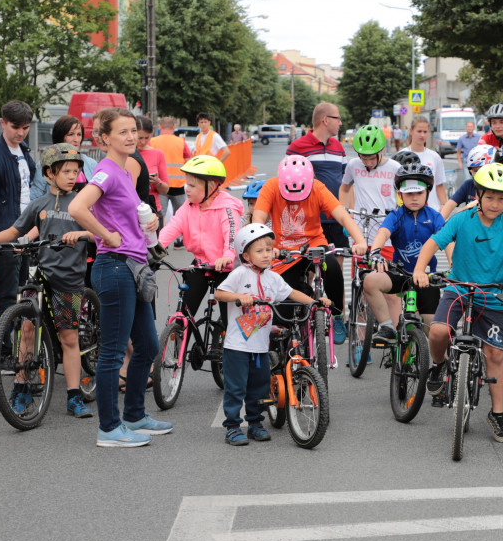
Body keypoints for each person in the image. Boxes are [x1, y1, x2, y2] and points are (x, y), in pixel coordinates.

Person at [68, 107, 170, 448]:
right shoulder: (107, 171)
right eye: (122, 132)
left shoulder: (126, 170)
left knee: (148, 346)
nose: (130, 137)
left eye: (133, 131)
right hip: (114, 266)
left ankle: (135, 416)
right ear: (105, 138)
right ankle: (109, 430)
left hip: (134, 266)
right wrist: (104, 235)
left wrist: (150, 222)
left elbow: (125, 214)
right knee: (113, 352)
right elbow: (77, 208)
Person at [413, 163, 503, 443]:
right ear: (477, 194)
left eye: (502, 198)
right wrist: (420, 269)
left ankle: (498, 413)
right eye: (489, 197)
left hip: (491, 294)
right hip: (458, 288)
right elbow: (433, 243)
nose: (495, 204)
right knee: (438, 331)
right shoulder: (462, 218)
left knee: (494, 354)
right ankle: (440, 364)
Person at [0, 143, 95, 419]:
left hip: (69, 280)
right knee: (27, 331)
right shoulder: (39, 205)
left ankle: (73, 396)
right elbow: (15, 229)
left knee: (69, 338)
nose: (72, 175)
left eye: (76, 171)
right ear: (48, 174)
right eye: (66, 170)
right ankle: (20, 389)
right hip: (40, 274)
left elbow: (98, 233)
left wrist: (81, 235)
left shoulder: (81, 202)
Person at [214, 224, 330, 445]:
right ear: (246, 255)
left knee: (259, 387)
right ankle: (232, 427)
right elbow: (219, 293)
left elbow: (292, 293)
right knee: (236, 387)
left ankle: (255, 424)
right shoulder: (240, 273)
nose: (266, 255)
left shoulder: (273, 278)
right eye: (259, 251)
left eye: (269, 250)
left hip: (260, 346)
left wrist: (315, 302)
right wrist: (239, 296)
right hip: (237, 346)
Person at [251, 155, 368, 325]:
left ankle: (337, 314)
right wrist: (265, 246)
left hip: (314, 244)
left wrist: (360, 242)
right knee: (282, 314)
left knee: (333, 267)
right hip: (283, 251)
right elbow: (258, 219)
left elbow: (343, 217)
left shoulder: (318, 188)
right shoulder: (271, 186)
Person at [286, 103, 350, 341]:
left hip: (335, 219)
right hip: (310, 220)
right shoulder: (297, 147)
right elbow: (286, 182)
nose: (340, 122)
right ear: (325, 120)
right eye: (337, 118)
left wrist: (345, 213)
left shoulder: (338, 147)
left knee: (336, 271)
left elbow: (344, 183)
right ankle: (306, 310)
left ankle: (337, 317)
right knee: (308, 270)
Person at [365, 165, 446, 345]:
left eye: (419, 192)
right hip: (400, 274)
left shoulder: (434, 217)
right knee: (370, 280)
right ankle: (386, 327)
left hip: (427, 278)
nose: (414, 197)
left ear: (428, 192)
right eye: (409, 194)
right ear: (400, 195)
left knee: (435, 334)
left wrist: (456, 264)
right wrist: (376, 252)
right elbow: (383, 233)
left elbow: (449, 242)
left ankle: (439, 368)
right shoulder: (396, 215)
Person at [158, 154, 243, 325]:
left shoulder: (227, 207)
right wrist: (155, 247)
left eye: (192, 185)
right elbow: (172, 227)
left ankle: (228, 346)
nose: (186, 189)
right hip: (200, 263)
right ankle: (179, 349)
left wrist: (227, 255)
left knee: (231, 321)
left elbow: (232, 235)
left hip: (226, 266)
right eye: (186, 183)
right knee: (183, 314)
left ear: (210, 187)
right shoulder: (188, 206)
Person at [0, 100, 37, 337]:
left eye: (25, 127)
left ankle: (16, 350)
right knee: (6, 296)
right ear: (3, 123)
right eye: (15, 127)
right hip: (5, 236)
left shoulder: (23, 150)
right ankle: (2, 354)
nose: (21, 132)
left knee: (22, 293)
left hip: (23, 234)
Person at [339, 125, 399, 239]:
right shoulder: (353, 165)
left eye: (372, 158)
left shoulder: (394, 167)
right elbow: (344, 188)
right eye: (364, 158)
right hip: (361, 231)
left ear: (381, 150)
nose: (368, 163)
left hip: (387, 232)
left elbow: (403, 194)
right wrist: (345, 213)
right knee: (359, 256)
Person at [31, 116, 99, 200]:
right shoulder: (46, 162)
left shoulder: (91, 163)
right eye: (71, 134)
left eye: (79, 134)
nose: (76, 139)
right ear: (60, 136)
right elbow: (35, 195)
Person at [399, 115, 449, 211]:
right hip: (407, 211)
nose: (422, 135)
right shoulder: (401, 156)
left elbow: (439, 185)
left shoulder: (434, 157)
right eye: (419, 131)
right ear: (411, 131)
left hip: (431, 210)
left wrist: (444, 206)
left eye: (425, 132)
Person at [150, 116, 192, 229]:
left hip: (159, 183)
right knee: (180, 214)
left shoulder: (152, 141)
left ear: (160, 127)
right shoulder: (181, 141)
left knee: (160, 213)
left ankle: (162, 241)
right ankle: (179, 241)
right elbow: (189, 160)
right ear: (174, 127)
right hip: (177, 184)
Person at [440, 144, 495, 219]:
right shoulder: (468, 185)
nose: (479, 174)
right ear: (470, 172)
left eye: (483, 170)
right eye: (475, 171)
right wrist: (439, 224)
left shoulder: (499, 189)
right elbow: (450, 204)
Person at [136, 116, 170, 222]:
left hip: (152, 208)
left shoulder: (157, 154)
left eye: (147, 138)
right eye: (140, 138)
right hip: (132, 208)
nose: (143, 142)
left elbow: (165, 189)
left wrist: (157, 182)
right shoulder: (126, 153)